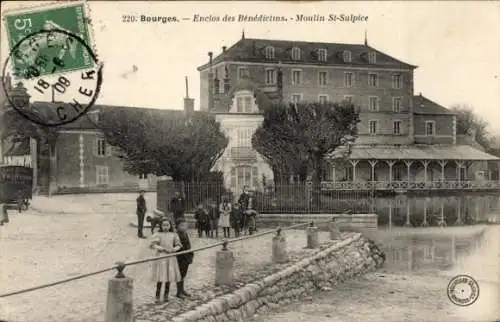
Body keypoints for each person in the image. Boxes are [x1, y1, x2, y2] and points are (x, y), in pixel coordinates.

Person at [149, 220, 182, 304]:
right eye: (163, 225)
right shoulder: (158, 234)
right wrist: (161, 248)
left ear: (170, 225)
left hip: (170, 257)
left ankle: (166, 295)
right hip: (161, 257)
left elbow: (179, 245)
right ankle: (157, 295)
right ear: (161, 226)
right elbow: (153, 245)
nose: (165, 227)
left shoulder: (173, 235)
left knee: (168, 276)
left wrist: (173, 249)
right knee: (160, 276)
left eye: (167, 225)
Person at [175, 218, 193, 298]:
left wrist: (191, 255)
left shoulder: (185, 233)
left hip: (186, 257)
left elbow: (189, 245)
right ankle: (178, 292)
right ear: (177, 227)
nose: (184, 227)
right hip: (180, 258)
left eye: (185, 225)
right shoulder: (176, 235)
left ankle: (182, 290)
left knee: (183, 275)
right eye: (181, 226)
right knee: (180, 275)